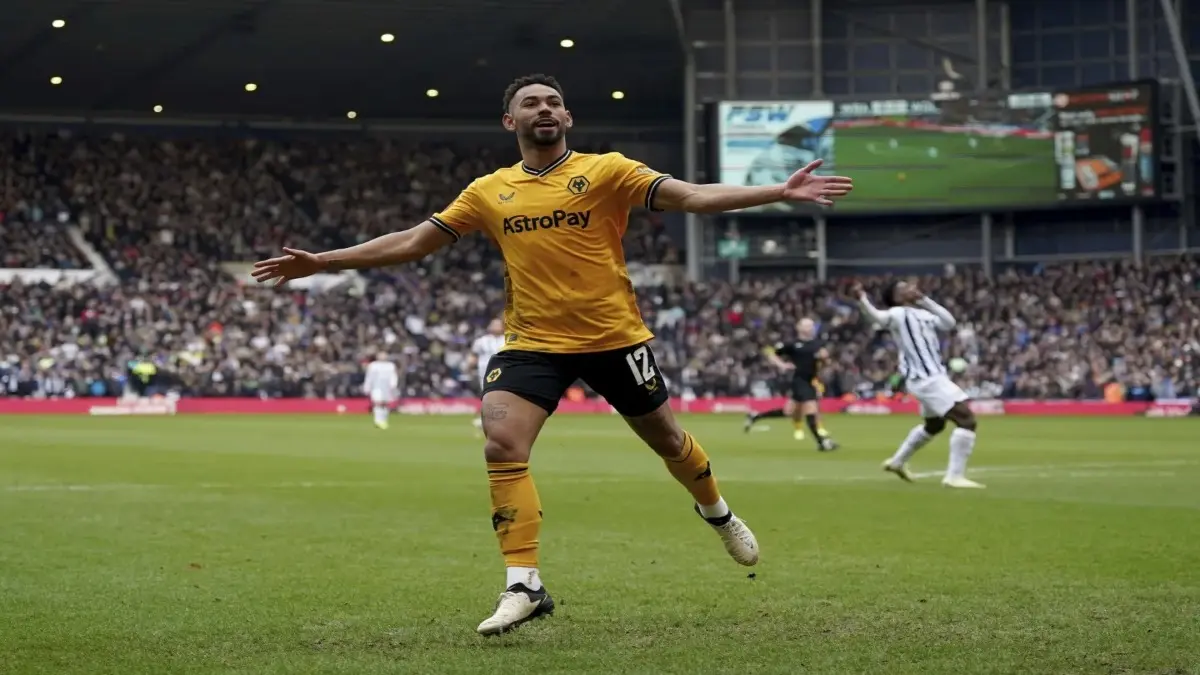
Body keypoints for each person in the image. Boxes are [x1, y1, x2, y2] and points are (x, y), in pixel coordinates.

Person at [252, 73, 854, 636]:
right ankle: (524, 583)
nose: (544, 109)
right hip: (532, 343)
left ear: (567, 116)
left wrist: (778, 190)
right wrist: (323, 261)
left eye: (552, 102)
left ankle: (717, 512)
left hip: (615, 338)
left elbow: (692, 196)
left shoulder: (608, 171)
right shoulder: (488, 191)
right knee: (501, 443)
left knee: (669, 442)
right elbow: (414, 242)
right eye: (531, 103)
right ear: (509, 121)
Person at [851, 279, 983, 489]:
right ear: (896, 297)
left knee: (934, 425)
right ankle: (954, 476)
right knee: (967, 420)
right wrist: (862, 299)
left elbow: (949, 323)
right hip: (927, 379)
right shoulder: (897, 314)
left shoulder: (924, 314)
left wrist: (924, 300)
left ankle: (897, 462)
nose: (909, 288)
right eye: (902, 288)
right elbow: (876, 317)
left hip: (930, 377)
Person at [744, 318, 839, 451]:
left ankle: (756, 415)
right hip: (799, 380)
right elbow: (770, 353)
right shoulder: (793, 344)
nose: (809, 328)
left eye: (811, 325)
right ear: (799, 328)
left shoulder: (817, 344)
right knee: (811, 409)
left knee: (788, 412)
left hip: (810, 379)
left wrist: (825, 359)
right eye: (806, 325)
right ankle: (821, 442)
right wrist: (781, 365)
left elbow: (824, 363)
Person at [470, 319, 507, 432]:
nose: (495, 327)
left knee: (503, 395)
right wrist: (469, 366)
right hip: (485, 372)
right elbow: (473, 356)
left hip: (503, 371)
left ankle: (501, 419)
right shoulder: (481, 341)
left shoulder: (507, 340)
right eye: (493, 324)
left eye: (497, 324)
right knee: (487, 396)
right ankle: (487, 419)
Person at [362, 352, 399, 430]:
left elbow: (393, 376)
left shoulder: (390, 366)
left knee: (385, 404)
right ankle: (378, 421)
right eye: (381, 355)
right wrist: (367, 387)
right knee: (378, 403)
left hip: (387, 387)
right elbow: (369, 377)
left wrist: (394, 385)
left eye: (384, 355)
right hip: (376, 387)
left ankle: (384, 420)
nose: (382, 357)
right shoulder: (373, 365)